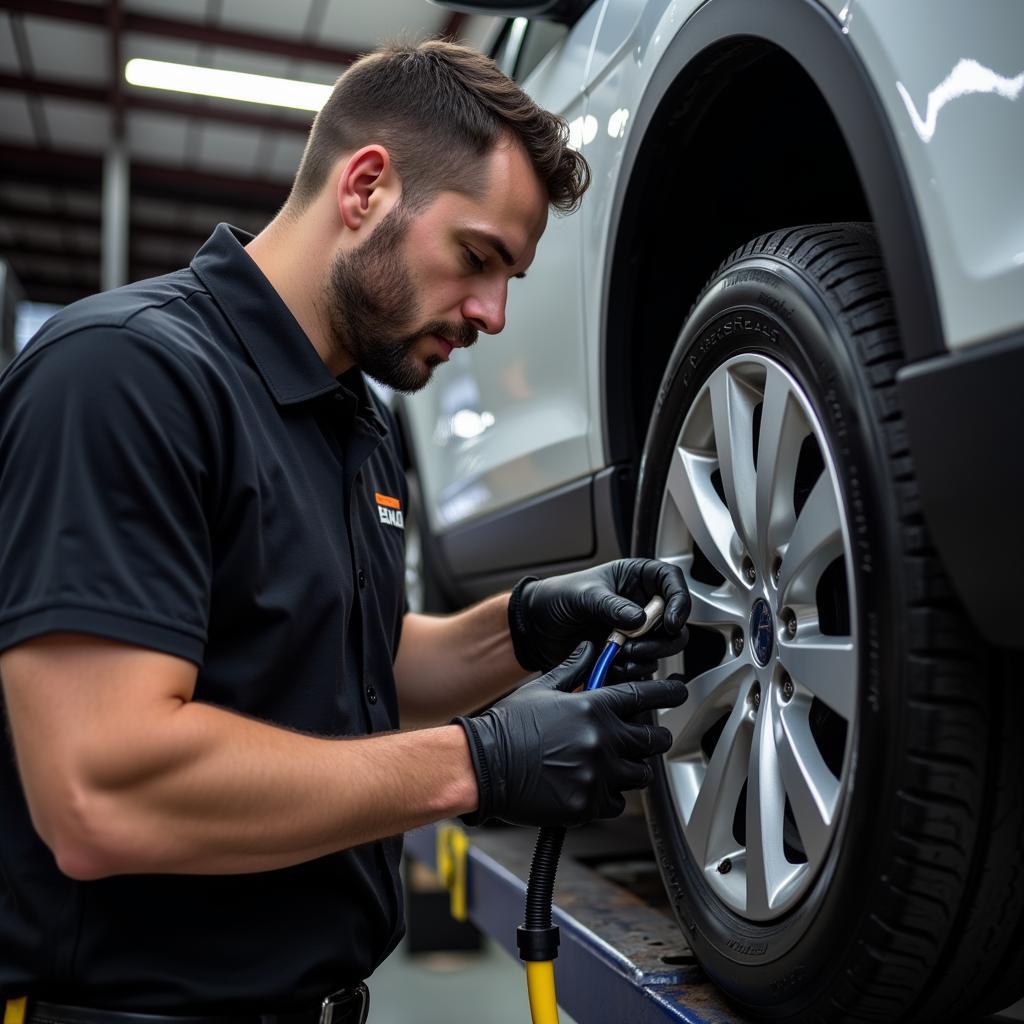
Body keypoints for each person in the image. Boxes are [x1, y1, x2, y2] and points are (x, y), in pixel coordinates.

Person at [0, 40, 690, 1024]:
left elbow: (353, 654)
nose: (493, 313)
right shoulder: (123, 377)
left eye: (511, 279)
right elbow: (101, 793)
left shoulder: (354, 422)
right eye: (477, 257)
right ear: (366, 187)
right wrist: (479, 760)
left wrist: (528, 624)